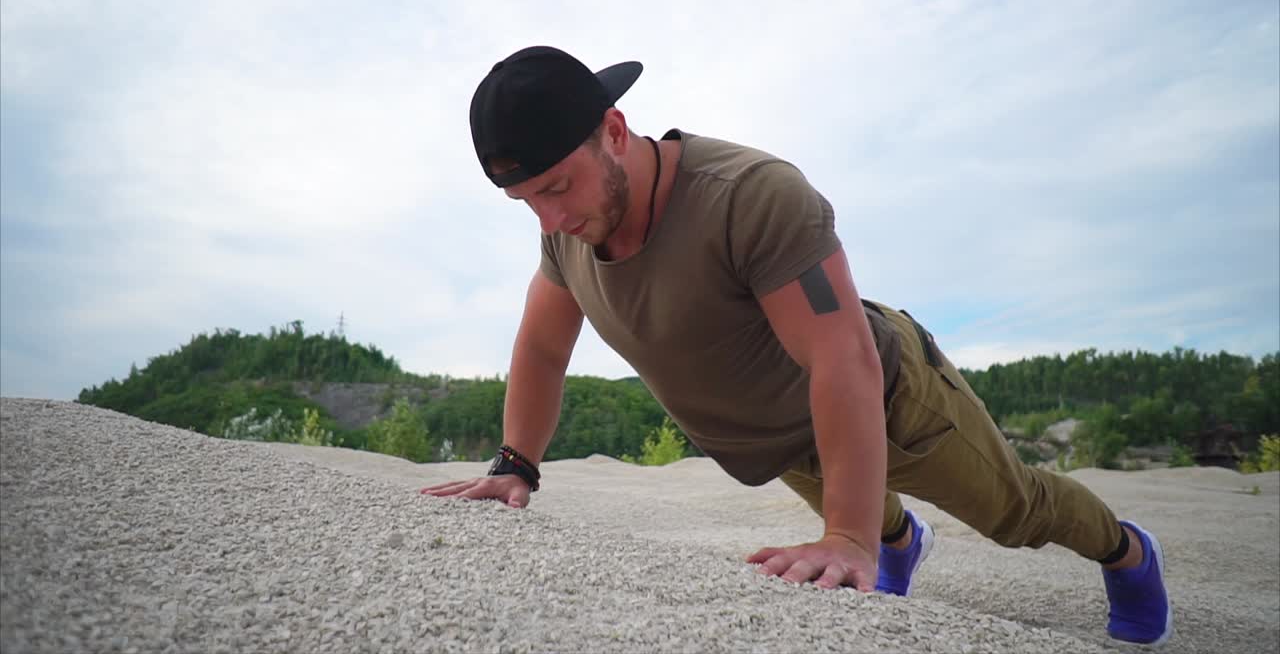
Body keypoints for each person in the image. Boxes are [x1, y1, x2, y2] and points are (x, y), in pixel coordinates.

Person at [421, 45, 1173, 646]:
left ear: (614, 131)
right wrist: (516, 463)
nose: (548, 220)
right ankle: (895, 540)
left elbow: (842, 357)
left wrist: (845, 538)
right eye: (526, 203)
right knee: (867, 521)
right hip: (784, 436)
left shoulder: (750, 195)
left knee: (1018, 516)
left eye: (557, 187)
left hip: (890, 402)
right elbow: (543, 348)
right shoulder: (567, 238)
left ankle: (1127, 552)